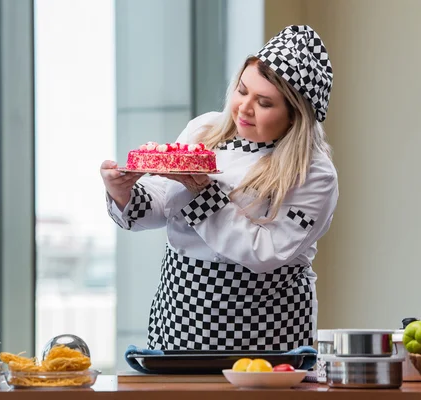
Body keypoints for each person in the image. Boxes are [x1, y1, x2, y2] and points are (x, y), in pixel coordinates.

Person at [100, 25, 338, 351]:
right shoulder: (205, 129)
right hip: (181, 316)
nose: (244, 107)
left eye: (264, 103)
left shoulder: (314, 174)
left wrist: (203, 193)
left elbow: (265, 252)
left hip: (266, 326)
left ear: (295, 117)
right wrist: (123, 191)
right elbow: (165, 204)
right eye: (242, 91)